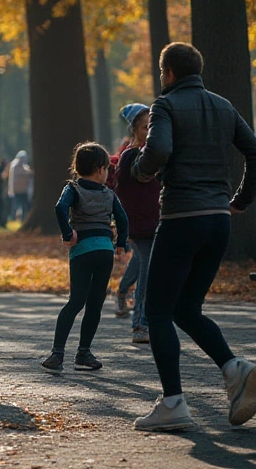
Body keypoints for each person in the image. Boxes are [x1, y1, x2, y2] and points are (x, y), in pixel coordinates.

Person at [131, 42, 256, 432]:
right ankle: (234, 368)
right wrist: (240, 200)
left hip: (181, 218)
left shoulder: (166, 105)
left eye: (161, 74)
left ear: (169, 73)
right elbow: (255, 153)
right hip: (218, 220)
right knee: (186, 309)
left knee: (157, 311)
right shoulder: (223, 105)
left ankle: (173, 402)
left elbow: (158, 147)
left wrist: (141, 170)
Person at [40, 142, 129, 374]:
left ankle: (57, 353)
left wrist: (68, 234)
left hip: (82, 251)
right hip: (105, 252)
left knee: (76, 302)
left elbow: (60, 209)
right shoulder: (109, 194)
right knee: (95, 303)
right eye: (107, 169)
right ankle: (84, 353)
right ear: (100, 169)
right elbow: (123, 219)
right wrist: (121, 244)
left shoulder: (73, 189)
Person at [108, 104, 161, 345]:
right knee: (148, 273)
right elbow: (125, 194)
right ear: (134, 130)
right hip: (140, 225)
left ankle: (126, 297)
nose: (150, 131)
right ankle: (140, 323)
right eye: (144, 127)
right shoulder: (131, 156)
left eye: (152, 126)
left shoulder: (154, 154)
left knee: (144, 265)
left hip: (156, 223)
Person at [7, 151, 33, 222]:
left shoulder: (24, 166)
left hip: (24, 189)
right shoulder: (15, 166)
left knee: (24, 205)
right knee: (16, 205)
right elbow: (23, 173)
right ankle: (13, 217)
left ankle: (23, 218)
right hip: (18, 189)